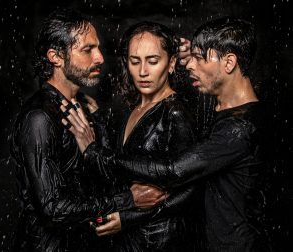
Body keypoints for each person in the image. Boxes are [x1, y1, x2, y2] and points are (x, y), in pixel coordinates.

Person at [64, 17, 272, 251]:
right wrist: (195, 55)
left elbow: (173, 172)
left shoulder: (238, 128)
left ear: (229, 62)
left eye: (153, 60)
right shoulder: (220, 107)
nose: (191, 65)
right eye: (135, 61)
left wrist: (96, 154)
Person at [10, 9, 164, 252]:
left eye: (98, 48)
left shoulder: (83, 108)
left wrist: (99, 124)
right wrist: (128, 200)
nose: (100, 58)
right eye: (87, 50)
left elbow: (96, 181)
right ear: (56, 57)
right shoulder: (39, 117)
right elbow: (53, 210)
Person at [61, 21, 203, 251]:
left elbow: (193, 190)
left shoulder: (175, 112)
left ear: (172, 63)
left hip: (161, 240)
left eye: (153, 61)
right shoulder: (133, 108)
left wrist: (128, 218)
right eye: (134, 61)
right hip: (130, 240)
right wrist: (96, 125)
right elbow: (123, 172)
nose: (143, 72)